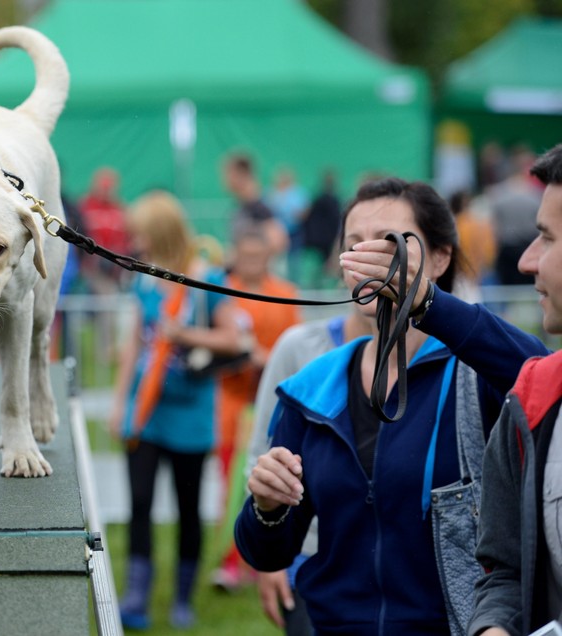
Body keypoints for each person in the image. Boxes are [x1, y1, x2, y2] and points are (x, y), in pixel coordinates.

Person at [236, 177, 550, 635]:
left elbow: (540, 371)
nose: (368, 258)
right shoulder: (311, 388)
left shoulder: (473, 370)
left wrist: (427, 304)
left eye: (389, 244)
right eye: (353, 244)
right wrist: (266, 507)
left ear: (440, 258)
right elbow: (269, 552)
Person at [109, 190, 245, 630]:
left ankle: (183, 598)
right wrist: (119, 403)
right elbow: (135, 344)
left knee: (189, 508)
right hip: (146, 412)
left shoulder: (205, 279)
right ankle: (137, 596)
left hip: (190, 416)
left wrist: (186, 335)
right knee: (140, 504)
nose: (136, 242)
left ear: (161, 233)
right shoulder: (144, 278)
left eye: (142, 234)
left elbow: (235, 340)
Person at [468, 143, 562, 636]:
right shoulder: (534, 396)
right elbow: (504, 571)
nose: (527, 261)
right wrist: (494, 628)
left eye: (546, 238)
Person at [243, 306, 372, 635]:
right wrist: (270, 554)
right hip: (306, 556)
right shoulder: (299, 346)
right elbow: (263, 451)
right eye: (354, 252)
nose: (369, 263)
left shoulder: (442, 357)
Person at [211, 223, 301, 592]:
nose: (250, 261)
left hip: (270, 403)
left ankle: (260, 556)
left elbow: (292, 347)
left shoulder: (284, 294)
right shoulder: (221, 292)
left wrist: (264, 356)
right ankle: (230, 558)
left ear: (268, 255)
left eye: (256, 254)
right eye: (244, 254)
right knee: (231, 481)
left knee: (269, 478)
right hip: (231, 402)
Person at [488, 145, 542, 286]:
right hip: (528, 247)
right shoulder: (535, 195)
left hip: (506, 250)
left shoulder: (498, 194)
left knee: (507, 291)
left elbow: (494, 227)